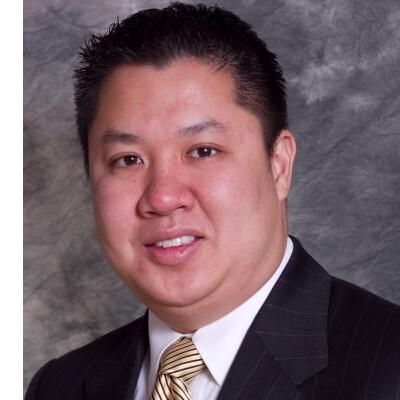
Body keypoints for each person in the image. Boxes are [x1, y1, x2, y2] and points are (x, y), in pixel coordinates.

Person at [25, 3, 400, 399]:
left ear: (279, 165)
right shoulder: (59, 386)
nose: (163, 197)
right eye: (128, 159)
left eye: (203, 151)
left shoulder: (388, 367)